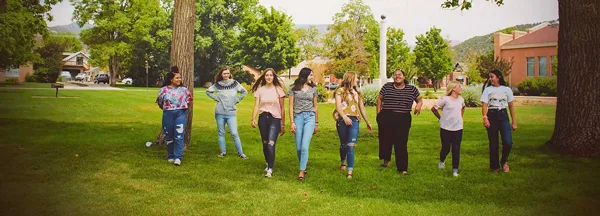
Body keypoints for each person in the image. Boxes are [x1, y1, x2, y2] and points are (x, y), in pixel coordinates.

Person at [376, 69, 423, 175]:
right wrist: (378, 114)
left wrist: (419, 105)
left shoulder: (412, 89)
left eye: (400, 74)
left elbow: (419, 99)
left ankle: (402, 168)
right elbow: (379, 99)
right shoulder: (387, 86)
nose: (397, 76)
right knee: (385, 140)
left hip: (403, 118)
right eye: (395, 75)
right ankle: (386, 162)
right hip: (386, 116)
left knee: (401, 143)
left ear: (404, 77)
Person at [333, 72, 373, 179]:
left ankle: (350, 171)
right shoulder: (339, 91)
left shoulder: (357, 93)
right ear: (351, 79)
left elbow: (362, 108)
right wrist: (345, 117)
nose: (358, 80)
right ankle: (343, 162)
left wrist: (367, 121)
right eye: (356, 78)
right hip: (342, 120)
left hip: (355, 120)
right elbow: (338, 106)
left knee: (351, 145)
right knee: (343, 144)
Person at [206, 66, 249, 159]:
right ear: (221, 74)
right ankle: (223, 152)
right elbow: (208, 91)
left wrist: (237, 100)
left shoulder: (235, 83)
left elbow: (244, 92)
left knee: (234, 133)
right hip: (219, 112)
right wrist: (217, 98)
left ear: (230, 74)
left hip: (231, 113)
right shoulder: (218, 84)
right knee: (221, 133)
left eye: (227, 73)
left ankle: (241, 153)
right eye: (224, 73)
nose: (226, 75)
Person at [251, 68, 286, 178]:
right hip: (263, 118)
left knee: (271, 143)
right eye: (267, 75)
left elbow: (282, 107)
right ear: (264, 77)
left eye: (271, 75)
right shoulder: (260, 90)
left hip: (275, 118)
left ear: (274, 77)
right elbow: (256, 105)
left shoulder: (278, 90)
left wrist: (283, 124)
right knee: (265, 143)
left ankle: (270, 169)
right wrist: (253, 118)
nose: (269, 77)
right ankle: (268, 161)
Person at [481, 69, 517, 173]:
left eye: (492, 77)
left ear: (498, 77)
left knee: (508, 142)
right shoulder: (487, 90)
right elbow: (484, 105)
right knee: (493, 143)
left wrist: (514, 122)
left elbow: (511, 106)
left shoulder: (507, 90)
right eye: (490, 77)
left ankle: (504, 161)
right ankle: (494, 167)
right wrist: (485, 117)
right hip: (491, 115)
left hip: (503, 115)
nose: (490, 79)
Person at [155, 66, 193, 166]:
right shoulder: (163, 90)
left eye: (180, 78)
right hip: (168, 114)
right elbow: (160, 102)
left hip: (180, 114)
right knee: (169, 136)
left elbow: (189, 101)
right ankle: (171, 156)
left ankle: (178, 157)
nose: (179, 80)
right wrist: (167, 108)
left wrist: (181, 108)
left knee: (179, 135)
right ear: (171, 79)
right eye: (177, 78)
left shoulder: (184, 90)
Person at [288, 67, 318, 181]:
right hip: (298, 117)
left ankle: (301, 171)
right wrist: (291, 122)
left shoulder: (314, 89)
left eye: (312, 75)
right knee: (299, 148)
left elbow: (315, 107)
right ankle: (303, 164)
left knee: (305, 146)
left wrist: (316, 122)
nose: (312, 77)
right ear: (304, 75)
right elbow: (290, 106)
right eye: (310, 75)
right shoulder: (293, 89)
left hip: (310, 117)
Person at [431, 81, 465, 177]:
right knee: (446, 148)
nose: (461, 88)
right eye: (459, 86)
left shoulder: (461, 99)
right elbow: (434, 109)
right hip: (446, 128)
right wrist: (441, 118)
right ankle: (442, 161)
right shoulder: (445, 99)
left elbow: (463, 108)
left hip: (458, 128)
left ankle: (455, 170)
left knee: (456, 148)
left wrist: (460, 117)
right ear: (453, 88)